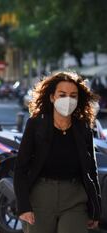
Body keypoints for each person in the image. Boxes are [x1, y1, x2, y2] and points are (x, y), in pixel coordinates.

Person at [14, 71, 101, 233]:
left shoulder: (83, 127)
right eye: (62, 94)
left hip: (74, 199)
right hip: (40, 197)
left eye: (73, 95)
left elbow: (91, 170)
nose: (68, 100)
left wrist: (96, 208)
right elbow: (20, 168)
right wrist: (23, 205)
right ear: (52, 97)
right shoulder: (36, 124)